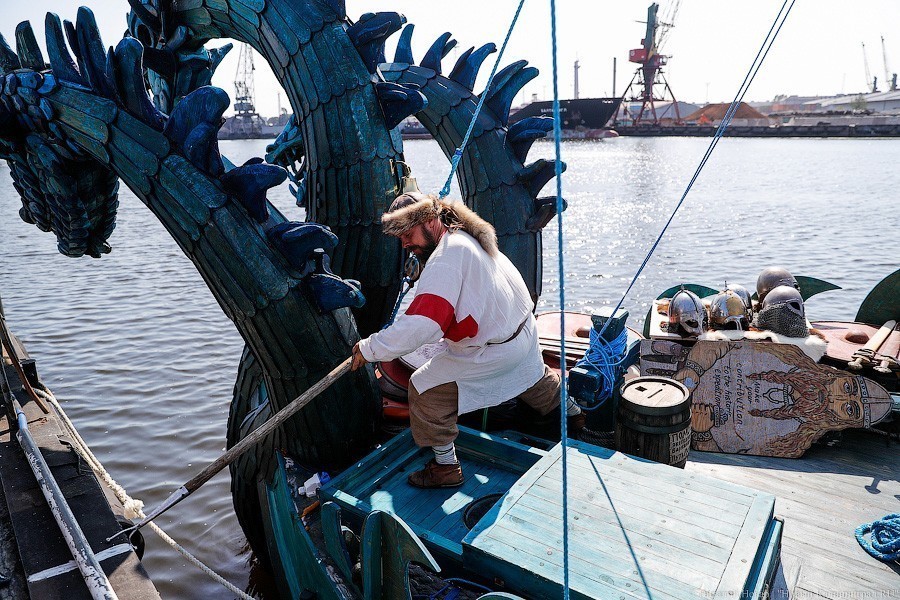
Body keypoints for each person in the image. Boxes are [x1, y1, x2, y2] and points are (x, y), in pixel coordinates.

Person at [351, 192, 584, 488]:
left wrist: (369, 348)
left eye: (408, 234)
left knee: (424, 389)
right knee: (534, 377)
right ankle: (574, 415)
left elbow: (423, 325)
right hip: (523, 333)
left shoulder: (445, 259)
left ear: (430, 221)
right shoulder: (465, 236)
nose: (405, 244)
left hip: (496, 350)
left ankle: (445, 468)